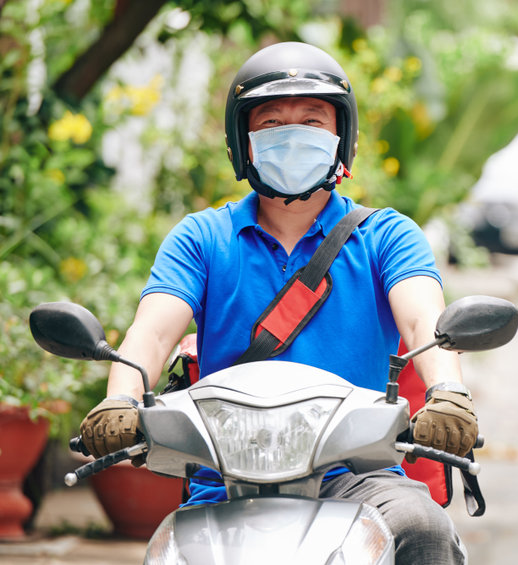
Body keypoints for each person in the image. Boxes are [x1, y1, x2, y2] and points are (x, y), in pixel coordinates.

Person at [79, 42, 477, 564]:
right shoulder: (201, 238)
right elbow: (152, 333)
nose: (293, 135)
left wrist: (448, 391)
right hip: (226, 479)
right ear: (241, 144)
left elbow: (425, 319)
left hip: (358, 477)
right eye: (270, 122)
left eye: (313, 121)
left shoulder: (387, 236)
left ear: (342, 139)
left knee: (424, 528)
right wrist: (121, 399)